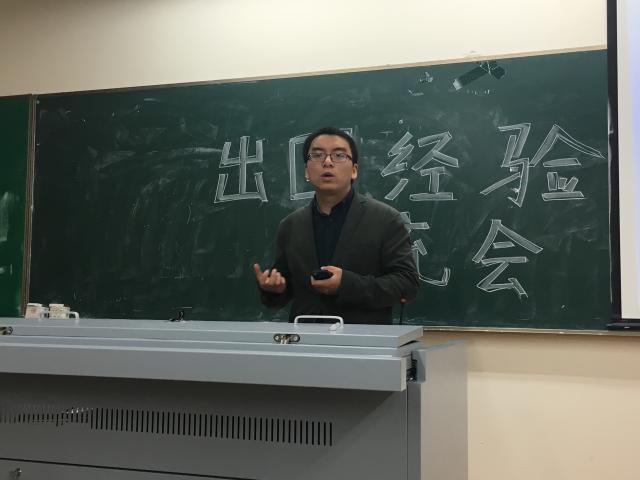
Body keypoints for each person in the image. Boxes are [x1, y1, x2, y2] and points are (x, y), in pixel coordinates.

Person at [253, 127, 419, 324]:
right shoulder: (290, 225)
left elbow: (407, 283)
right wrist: (274, 289)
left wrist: (346, 284)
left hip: (363, 338)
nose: (327, 162)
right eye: (317, 155)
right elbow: (286, 288)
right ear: (306, 170)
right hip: (305, 336)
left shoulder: (385, 219)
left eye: (339, 155)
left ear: (354, 170)